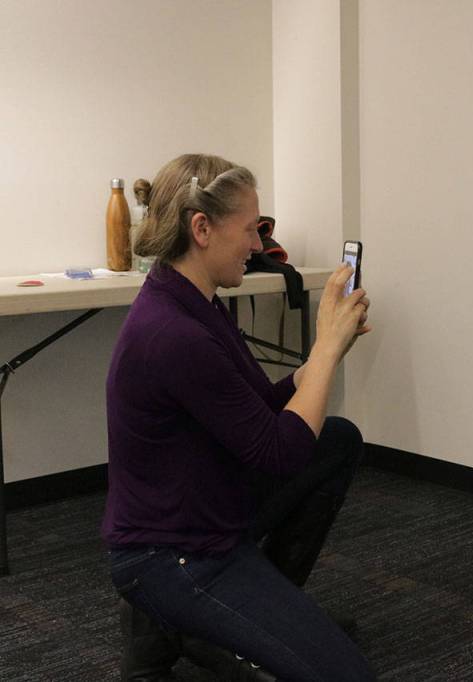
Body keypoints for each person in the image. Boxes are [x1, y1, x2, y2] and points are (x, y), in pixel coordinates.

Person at [101, 153, 375, 680]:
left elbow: (254, 411)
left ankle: (236, 621)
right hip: (171, 554)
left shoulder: (192, 299)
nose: (258, 245)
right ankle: (184, 619)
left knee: (336, 439)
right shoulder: (175, 333)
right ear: (201, 229)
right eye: (250, 229)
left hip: (206, 507)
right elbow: (281, 454)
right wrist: (323, 353)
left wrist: (319, 361)